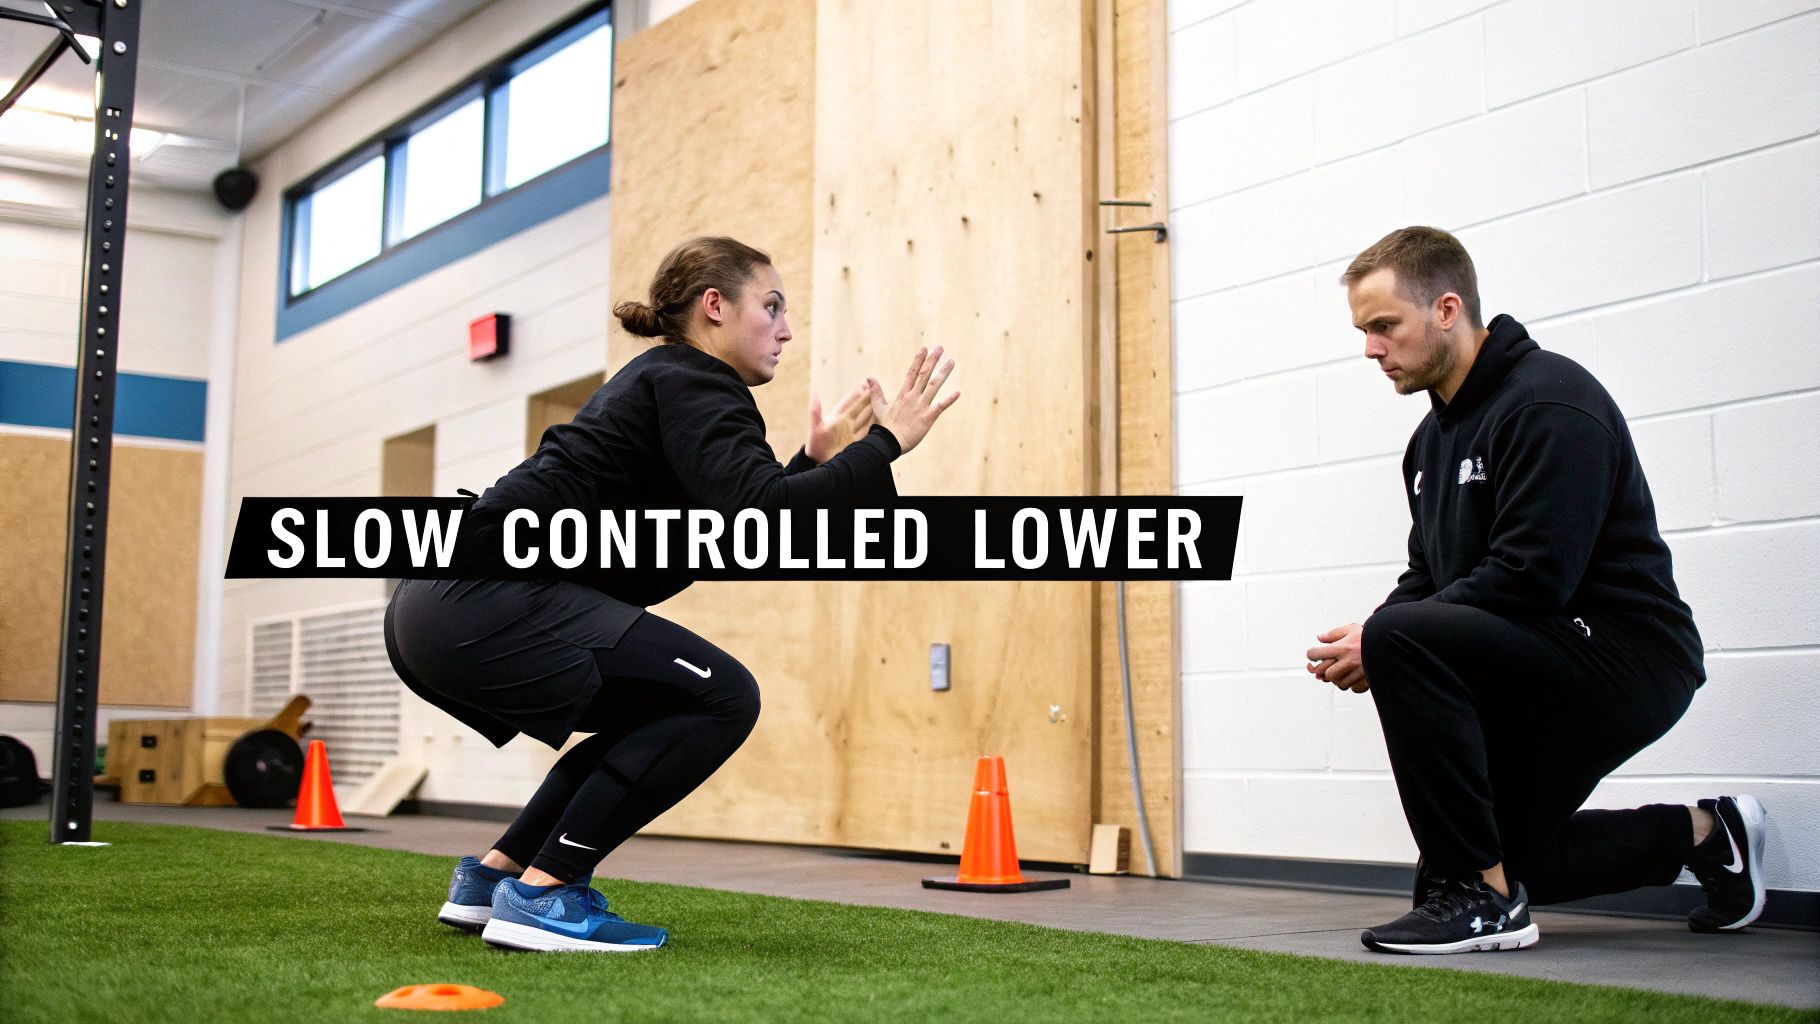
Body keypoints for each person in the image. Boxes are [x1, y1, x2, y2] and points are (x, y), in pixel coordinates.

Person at [384, 236, 959, 952]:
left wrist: (813, 461)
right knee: (723, 695)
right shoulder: (695, 380)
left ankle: (498, 877)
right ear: (714, 306)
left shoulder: (666, 382)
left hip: (436, 607)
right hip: (487, 599)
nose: (786, 329)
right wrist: (887, 445)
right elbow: (764, 511)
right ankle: (547, 891)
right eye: (771, 306)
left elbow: (733, 523)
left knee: (662, 706)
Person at [1304, 226, 1767, 955]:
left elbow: (1533, 575)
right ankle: (1704, 835)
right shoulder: (1430, 443)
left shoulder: (1550, 403)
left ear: (1448, 309)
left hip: (1628, 657)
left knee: (1406, 655)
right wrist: (1374, 637)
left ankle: (1483, 905)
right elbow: (1427, 577)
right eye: (1365, 331)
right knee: (1487, 859)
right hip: (1541, 651)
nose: (1371, 349)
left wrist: (1392, 638)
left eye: (1385, 326)